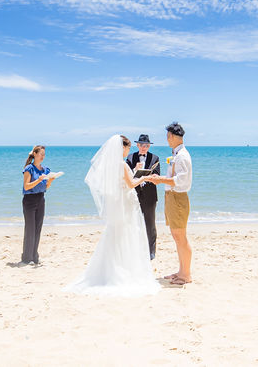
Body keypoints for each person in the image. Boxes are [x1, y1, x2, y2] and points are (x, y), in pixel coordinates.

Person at [67, 135, 161, 296]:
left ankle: (111, 268)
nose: (128, 151)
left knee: (117, 233)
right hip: (127, 203)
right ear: (122, 148)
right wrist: (144, 177)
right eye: (127, 148)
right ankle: (125, 269)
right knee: (128, 233)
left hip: (120, 202)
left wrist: (134, 172)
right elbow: (131, 184)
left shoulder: (111, 165)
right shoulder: (122, 164)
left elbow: (120, 182)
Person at [146, 122, 193, 285]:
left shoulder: (182, 156)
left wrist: (160, 180)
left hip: (177, 197)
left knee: (180, 236)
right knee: (176, 235)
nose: (167, 140)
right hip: (172, 197)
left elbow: (181, 180)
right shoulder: (177, 154)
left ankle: (186, 275)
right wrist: (161, 179)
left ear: (172, 136)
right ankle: (181, 271)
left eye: (168, 137)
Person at [125, 133, 161, 260]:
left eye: (146, 145)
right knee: (133, 222)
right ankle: (136, 249)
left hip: (150, 195)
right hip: (134, 195)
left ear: (149, 146)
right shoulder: (130, 157)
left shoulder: (155, 158)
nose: (144, 147)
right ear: (137, 145)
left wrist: (150, 177)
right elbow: (126, 176)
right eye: (141, 145)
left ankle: (151, 251)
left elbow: (157, 176)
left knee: (150, 224)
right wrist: (135, 169)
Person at [20, 145, 56, 265]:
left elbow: (45, 187)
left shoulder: (45, 170)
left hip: (41, 199)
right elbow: (26, 186)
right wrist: (39, 180)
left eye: (44, 154)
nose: (42, 156)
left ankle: (34, 257)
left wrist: (50, 180)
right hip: (29, 200)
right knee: (30, 229)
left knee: (37, 229)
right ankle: (26, 258)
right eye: (41, 154)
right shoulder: (29, 168)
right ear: (35, 154)